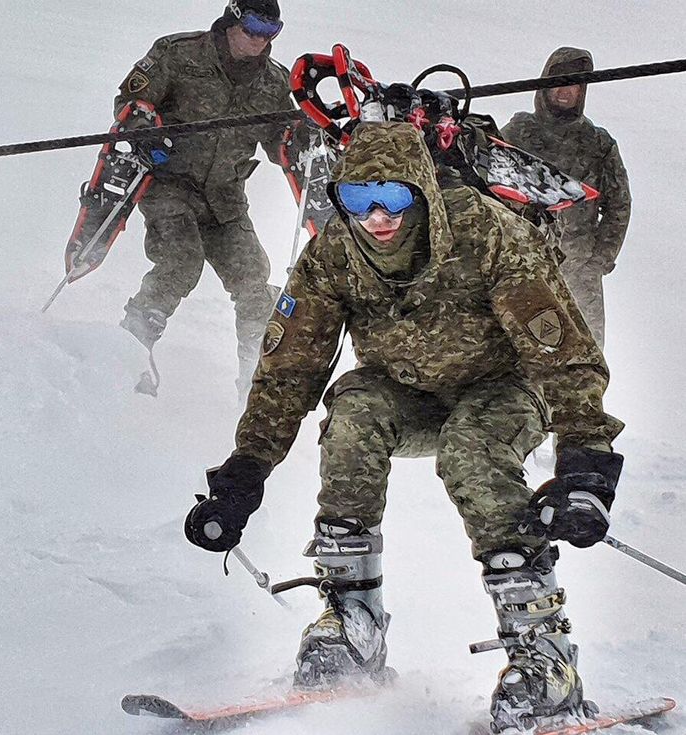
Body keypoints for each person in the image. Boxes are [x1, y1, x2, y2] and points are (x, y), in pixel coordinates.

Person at [184, 123, 624, 732]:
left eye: (393, 197)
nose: (378, 217)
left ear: (422, 190)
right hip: (408, 391)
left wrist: (586, 461)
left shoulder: (487, 232)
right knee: (354, 407)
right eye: (359, 200)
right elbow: (290, 368)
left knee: (471, 450)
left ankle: (544, 654)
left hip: (506, 385)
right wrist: (245, 473)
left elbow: (562, 352)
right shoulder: (335, 253)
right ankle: (352, 623)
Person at [113, 0, 303, 399]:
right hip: (169, 186)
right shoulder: (179, 54)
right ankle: (129, 349)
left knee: (254, 278)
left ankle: (256, 379)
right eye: (252, 27)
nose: (260, 40)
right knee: (182, 262)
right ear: (232, 19)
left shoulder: (273, 82)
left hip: (225, 200)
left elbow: (281, 141)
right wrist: (142, 123)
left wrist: (301, 142)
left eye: (271, 31)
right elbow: (132, 102)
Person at [501, 48, 631, 348]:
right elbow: (491, 186)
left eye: (573, 83)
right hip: (523, 266)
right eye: (558, 81)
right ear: (545, 84)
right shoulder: (519, 132)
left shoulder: (598, 143)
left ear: (582, 90)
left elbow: (619, 205)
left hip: (578, 270)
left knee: (585, 356)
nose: (564, 90)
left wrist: (598, 260)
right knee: (518, 352)